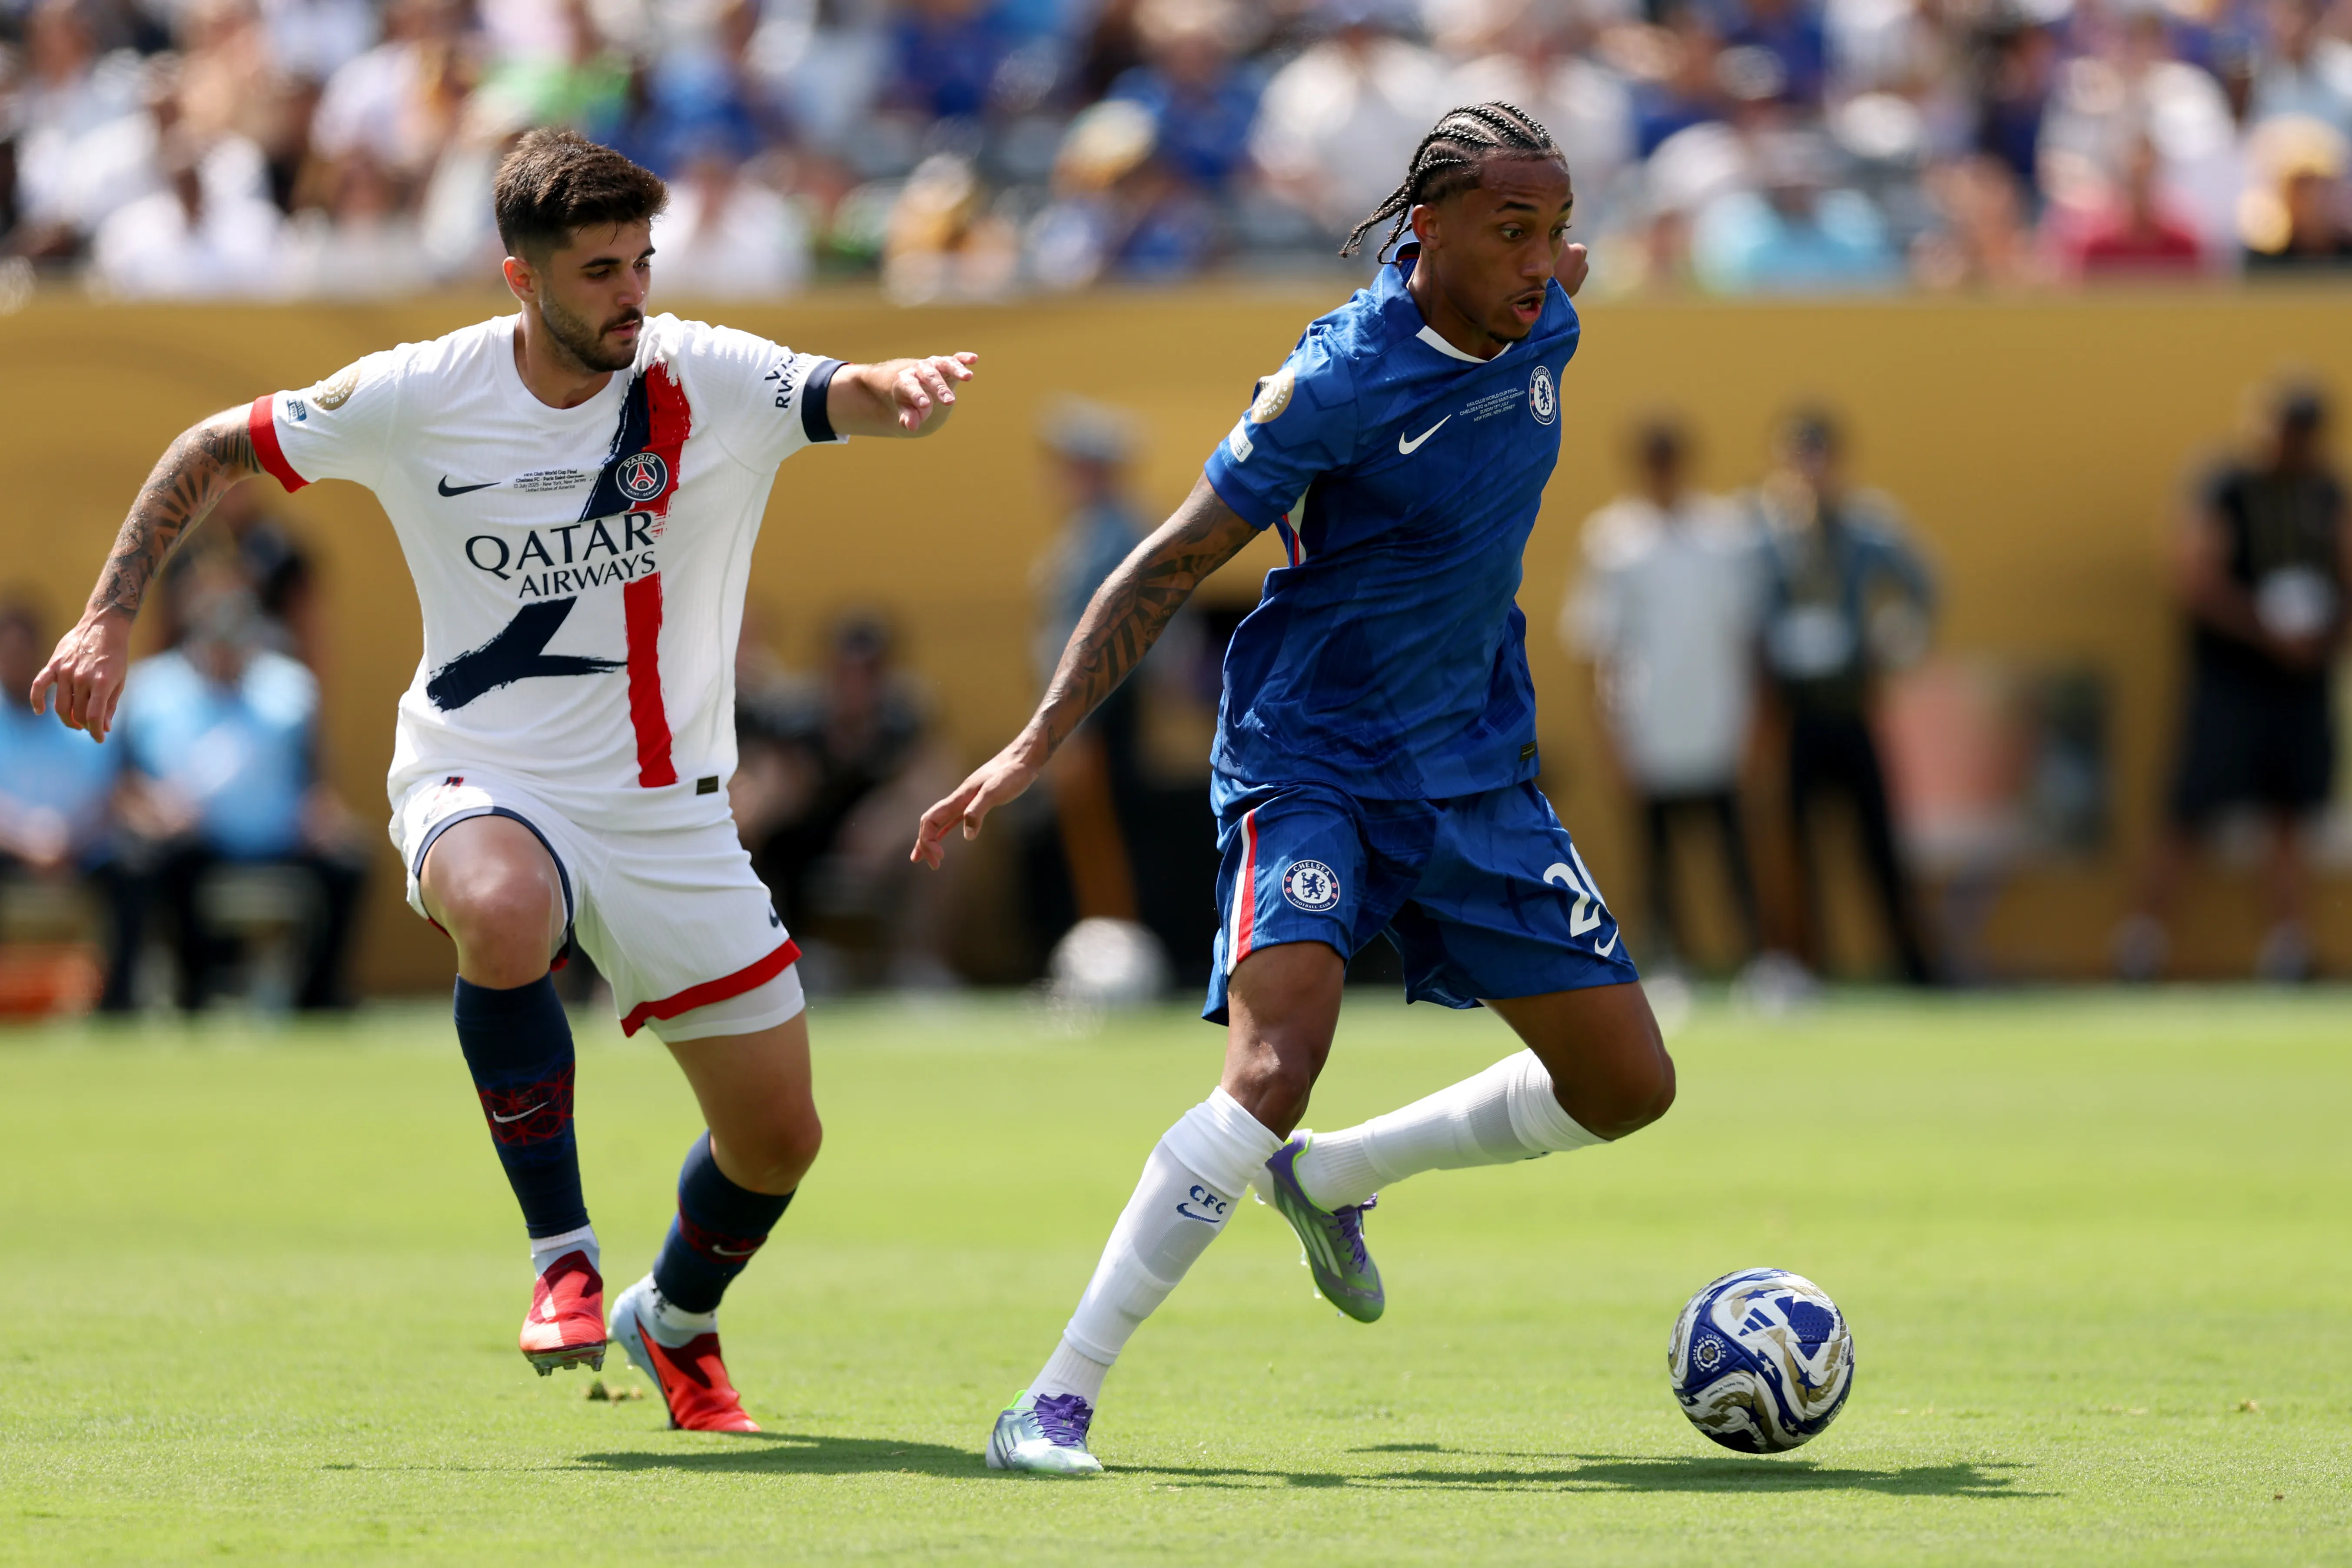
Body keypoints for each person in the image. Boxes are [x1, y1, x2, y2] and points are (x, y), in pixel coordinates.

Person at [32, 127, 980, 1432]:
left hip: (666, 811)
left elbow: (842, 389)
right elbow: (212, 444)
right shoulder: (424, 390)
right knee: (501, 902)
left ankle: (677, 1316)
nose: (631, 293)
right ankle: (563, 1256)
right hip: (482, 770)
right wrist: (106, 614)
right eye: (598, 270)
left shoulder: (703, 372)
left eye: (642, 261)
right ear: (518, 277)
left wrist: (904, 380)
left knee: (779, 1139)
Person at [914, 101, 1674, 1476]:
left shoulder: (1542, 312)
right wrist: (1036, 739)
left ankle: (1333, 1174)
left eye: (1557, 232)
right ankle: (1053, 1398)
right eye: (1513, 230)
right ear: (1422, 226)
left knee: (1626, 1086)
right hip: (1316, 753)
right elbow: (1162, 562)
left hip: (1477, 768)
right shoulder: (1334, 379)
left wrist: (1554, 252)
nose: (1543, 261)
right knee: (1271, 1063)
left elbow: (1562, 273)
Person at [2115, 385, 2348, 982]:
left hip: (2299, 682)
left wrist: (2323, 637)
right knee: (2189, 810)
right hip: (2230, 678)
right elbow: (2194, 575)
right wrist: (2265, 630)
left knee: (2291, 813)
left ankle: (2288, 948)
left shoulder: (2326, 493)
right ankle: (2141, 943)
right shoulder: (2225, 485)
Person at [108, 569, 368, 1012]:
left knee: (351, 860)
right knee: (152, 863)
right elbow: (125, 781)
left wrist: (322, 817)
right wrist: (155, 810)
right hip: (194, 841)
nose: (226, 645)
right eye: (216, 633)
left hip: (280, 837)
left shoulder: (291, 688)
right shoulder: (151, 689)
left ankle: (317, 996)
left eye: (237, 631)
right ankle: (195, 989)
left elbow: (314, 777)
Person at [1565, 417, 1764, 972]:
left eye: (1670, 459)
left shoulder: (1725, 536)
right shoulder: (1613, 542)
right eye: (1653, 461)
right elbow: (1594, 644)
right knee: (1655, 861)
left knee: (1735, 856)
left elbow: (1748, 637)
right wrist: (1609, 739)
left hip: (1717, 722)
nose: (1663, 473)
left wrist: (1755, 725)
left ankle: (1761, 965)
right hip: (1648, 725)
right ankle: (1668, 964)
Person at [1753, 410, 1938, 985]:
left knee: (1881, 847)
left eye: (1819, 455)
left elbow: (1925, 587)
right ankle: (1808, 968)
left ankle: (1914, 968)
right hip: (1793, 714)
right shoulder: (1763, 532)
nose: (1810, 468)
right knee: (1793, 850)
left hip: (1852, 705)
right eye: (1798, 455)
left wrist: (1895, 645)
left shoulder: (1865, 525)